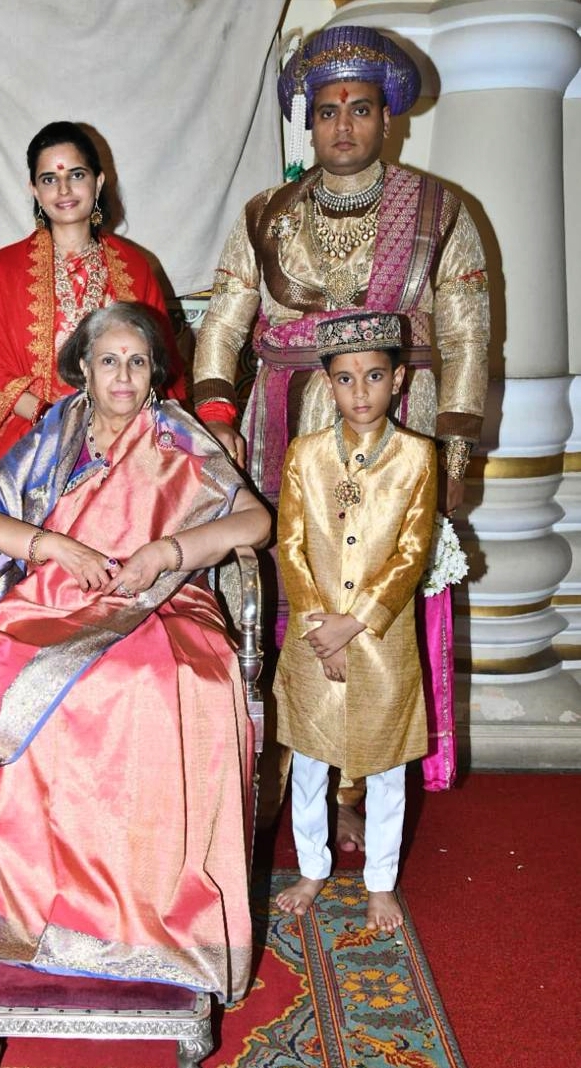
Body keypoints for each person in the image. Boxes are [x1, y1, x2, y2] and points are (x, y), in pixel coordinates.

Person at [192, 24, 489, 848]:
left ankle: (361, 781)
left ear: (387, 116)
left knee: (376, 599)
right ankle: (277, 761)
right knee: (284, 593)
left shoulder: (438, 211)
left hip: (400, 426)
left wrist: (455, 452)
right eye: (326, 112)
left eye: (360, 109)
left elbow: (465, 334)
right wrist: (217, 419)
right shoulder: (265, 215)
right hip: (284, 427)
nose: (343, 126)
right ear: (307, 121)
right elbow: (221, 324)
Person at [0, 303, 271, 1002]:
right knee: (66, 682)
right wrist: (51, 545)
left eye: (137, 361)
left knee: (167, 681)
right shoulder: (55, 434)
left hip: (166, 602)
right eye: (108, 360)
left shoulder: (178, 436)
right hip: (59, 603)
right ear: (83, 370)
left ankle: (162, 924)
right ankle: (47, 909)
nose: (122, 375)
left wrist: (167, 553)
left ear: (155, 372)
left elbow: (254, 518)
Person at [273, 311, 437, 930]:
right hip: (316, 640)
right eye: (345, 379)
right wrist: (321, 626)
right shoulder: (305, 456)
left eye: (373, 376)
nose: (360, 393)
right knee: (311, 762)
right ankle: (312, 866)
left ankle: (380, 882)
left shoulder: (417, 457)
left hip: (380, 642)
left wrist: (353, 624)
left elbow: (410, 554)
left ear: (398, 380)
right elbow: (289, 545)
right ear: (328, 385)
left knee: (386, 762)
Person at [0, 120, 186, 475]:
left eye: (76, 175)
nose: (64, 189)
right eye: (49, 179)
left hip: (123, 440)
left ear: (98, 182)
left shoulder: (135, 268)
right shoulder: (8, 267)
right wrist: (52, 420)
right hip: (33, 436)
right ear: (34, 190)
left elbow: (163, 370)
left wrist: (110, 429)